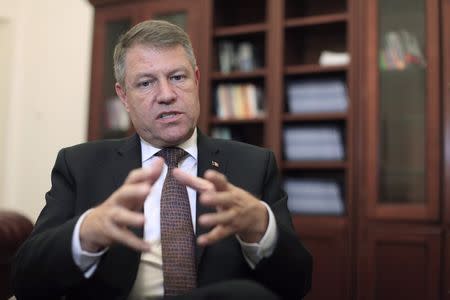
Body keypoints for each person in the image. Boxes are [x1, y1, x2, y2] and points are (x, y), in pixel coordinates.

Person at [12, 20, 312, 300]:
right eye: (145, 83)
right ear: (124, 96)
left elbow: (298, 285)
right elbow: (25, 281)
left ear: (195, 80)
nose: (166, 94)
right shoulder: (80, 165)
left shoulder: (254, 165)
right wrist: (86, 233)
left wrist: (261, 229)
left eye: (177, 77)